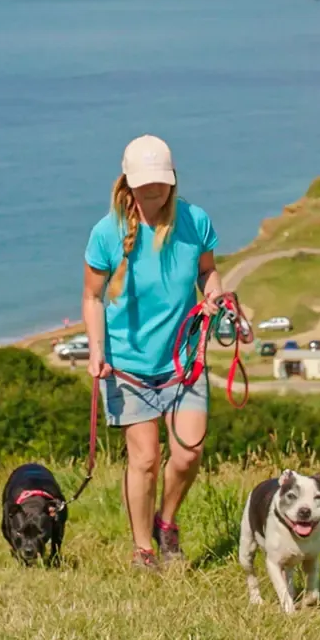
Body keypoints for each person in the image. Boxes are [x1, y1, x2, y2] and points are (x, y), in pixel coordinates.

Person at [82, 135, 224, 570]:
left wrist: (215, 297)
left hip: (184, 359)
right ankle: (144, 549)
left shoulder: (194, 220)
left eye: (159, 185)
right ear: (127, 183)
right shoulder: (107, 233)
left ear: (172, 180)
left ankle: (167, 523)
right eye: (144, 186)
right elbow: (92, 297)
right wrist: (96, 350)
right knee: (144, 460)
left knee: (189, 452)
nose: (152, 194)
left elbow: (209, 272)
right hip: (128, 366)